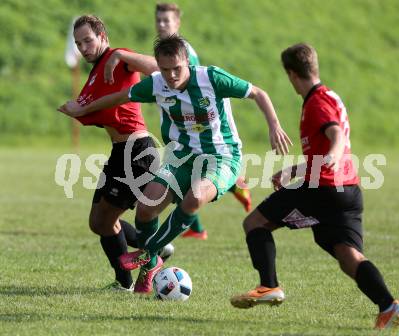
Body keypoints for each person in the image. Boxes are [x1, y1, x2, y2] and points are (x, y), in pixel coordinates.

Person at [58, 35, 292, 294]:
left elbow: (258, 92)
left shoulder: (211, 78)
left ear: (187, 63)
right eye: (165, 69)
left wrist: (274, 125)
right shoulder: (157, 84)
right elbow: (119, 97)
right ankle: (150, 268)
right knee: (146, 209)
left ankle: (148, 254)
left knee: (194, 199)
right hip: (181, 158)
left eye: (176, 69)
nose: (170, 75)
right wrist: (83, 109)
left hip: (222, 157)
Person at [230, 43, 399, 330]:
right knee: (348, 256)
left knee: (255, 222)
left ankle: (269, 286)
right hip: (348, 190)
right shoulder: (330, 96)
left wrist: (334, 155)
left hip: (322, 189)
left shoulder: (316, 103)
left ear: (290, 74)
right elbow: (326, 148)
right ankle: (388, 306)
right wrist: (294, 170)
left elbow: (334, 134)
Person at [57, 15, 161, 291]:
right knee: (98, 222)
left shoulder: (118, 56)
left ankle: (135, 270)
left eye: (88, 40)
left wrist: (123, 55)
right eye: (79, 43)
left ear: (103, 36)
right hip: (119, 153)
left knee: (107, 221)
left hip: (137, 152)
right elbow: (92, 106)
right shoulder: (95, 73)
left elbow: (157, 68)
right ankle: (151, 245)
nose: (83, 47)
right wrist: (75, 108)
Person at [154, 2, 252, 240]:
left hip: (195, 129)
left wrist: (123, 57)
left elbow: (198, 90)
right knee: (183, 183)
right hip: (179, 125)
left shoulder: (185, 53)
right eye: (158, 20)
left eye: (167, 20)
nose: (161, 25)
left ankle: (233, 184)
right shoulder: (165, 51)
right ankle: (197, 227)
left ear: (178, 22)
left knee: (185, 183)